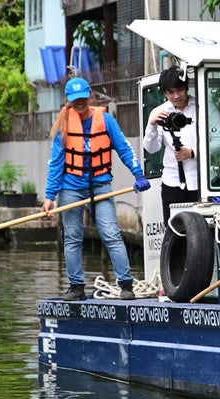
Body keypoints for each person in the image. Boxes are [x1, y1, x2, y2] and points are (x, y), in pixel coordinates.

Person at [42, 78, 151, 301]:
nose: (79, 103)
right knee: (72, 237)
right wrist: (49, 196)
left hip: (101, 186)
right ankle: (76, 287)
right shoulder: (63, 124)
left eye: (83, 98)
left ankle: (126, 284)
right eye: (74, 100)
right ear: (68, 101)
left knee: (111, 233)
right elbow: (56, 163)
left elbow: (124, 148)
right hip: (71, 187)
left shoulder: (106, 120)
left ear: (90, 96)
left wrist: (138, 173)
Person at [142, 66, 220, 224]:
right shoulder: (159, 112)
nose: (175, 96)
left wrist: (193, 153)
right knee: (174, 233)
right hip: (172, 182)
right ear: (164, 93)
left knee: (203, 233)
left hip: (202, 183)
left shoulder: (204, 107)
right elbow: (151, 148)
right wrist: (152, 125)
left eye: (179, 90)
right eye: (170, 92)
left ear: (187, 87)